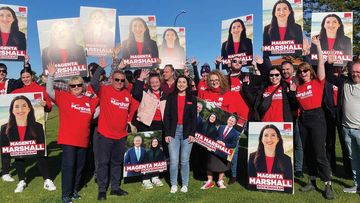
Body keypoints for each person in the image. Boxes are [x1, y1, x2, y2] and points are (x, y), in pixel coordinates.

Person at [46, 63, 99, 203]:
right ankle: (66, 194)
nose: (76, 88)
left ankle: (75, 190)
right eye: (73, 86)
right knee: (69, 166)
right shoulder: (64, 97)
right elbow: (49, 91)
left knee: (80, 167)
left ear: (83, 86)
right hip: (68, 140)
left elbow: (96, 113)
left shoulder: (89, 101)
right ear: (69, 87)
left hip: (83, 140)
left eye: (79, 85)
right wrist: (51, 75)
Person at [90, 64, 138, 201]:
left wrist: (129, 121)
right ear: (111, 79)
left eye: (122, 80)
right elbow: (93, 82)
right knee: (103, 163)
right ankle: (102, 189)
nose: (119, 82)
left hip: (121, 136)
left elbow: (135, 105)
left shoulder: (127, 93)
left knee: (117, 163)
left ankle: (115, 188)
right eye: (117, 80)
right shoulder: (104, 90)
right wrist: (101, 67)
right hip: (105, 135)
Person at [296, 36, 334, 199]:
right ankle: (312, 181)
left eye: (305, 70)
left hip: (317, 117)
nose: (303, 73)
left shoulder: (318, 82)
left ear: (309, 72)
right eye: (301, 71)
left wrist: (317, 46)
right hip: (303, 120)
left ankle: (327, 184)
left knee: (319, 152)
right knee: (308, 152)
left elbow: (320, 63)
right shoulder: (297, 87)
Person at [0, 96, 56, 193]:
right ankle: (22, 181)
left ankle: (47, 180)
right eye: (16, 106)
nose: (20, 109)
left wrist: (44, 104)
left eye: (24, 106)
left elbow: (41, 150)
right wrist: (5, 171)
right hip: (17, 154)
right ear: (12, 110)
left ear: (29, 108)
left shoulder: (38, 126)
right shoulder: (5, 128)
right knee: (18, 156)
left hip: (37, 151)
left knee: (41, 156)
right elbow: (5, 151)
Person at [164, 75, 197, 193]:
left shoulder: (192, 98)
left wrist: (192, 133)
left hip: (187, 132)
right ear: (176, 83)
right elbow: (166, 116)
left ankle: (184, 184)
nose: (181, 84)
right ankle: (173, 184)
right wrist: (167, 133)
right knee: (173, 160)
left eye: (184, 82)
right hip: (173, 132)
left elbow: (194, 118)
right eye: (179, 82)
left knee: (184, 160)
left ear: (187, 85)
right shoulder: (171, 97)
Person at [248, 124, 293, 193]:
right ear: (261, 139)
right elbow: (252, 182)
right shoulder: (252, 157)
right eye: (266, 135)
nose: (269, 139)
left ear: (278, 139)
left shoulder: (287, 159)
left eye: (273, 135)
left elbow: (288, 186)